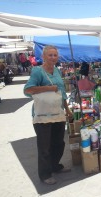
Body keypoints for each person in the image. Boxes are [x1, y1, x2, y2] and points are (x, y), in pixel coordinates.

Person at [24, 45, 73, 185]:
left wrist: (67, 110)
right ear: (43, 56)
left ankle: (55, 166)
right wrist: (48, 88)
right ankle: (45, 174)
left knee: (58, 143)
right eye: (50, 55)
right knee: (44, 146)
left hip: (57, 113)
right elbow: (27, 90)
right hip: (42, 115)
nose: (53, 58)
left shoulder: (57, 71)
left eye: (55, 55)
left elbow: (61, 93)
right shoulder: (37, 71)